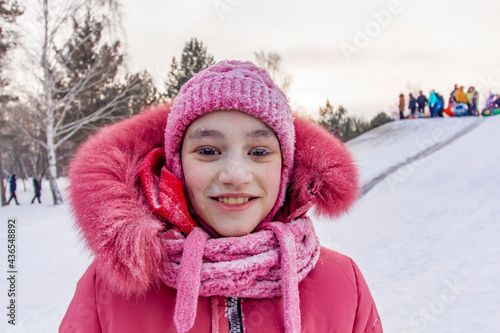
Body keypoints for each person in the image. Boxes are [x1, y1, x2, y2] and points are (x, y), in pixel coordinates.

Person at [59, 61, 382, 333]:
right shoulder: (108, 288)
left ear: (285, 167)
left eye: (258, 151)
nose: (235, 175)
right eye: (209, 151)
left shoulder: (342, 283)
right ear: (176, 165)